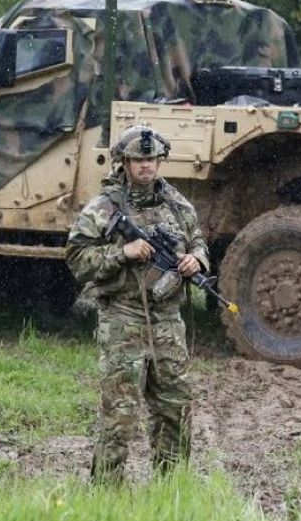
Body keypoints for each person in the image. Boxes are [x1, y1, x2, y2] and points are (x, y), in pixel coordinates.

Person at [66, 125, 208, 483]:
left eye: (151, 159)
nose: (146, 166)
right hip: (123, 319)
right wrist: (122, 253)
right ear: (124, 162)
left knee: (174, 408)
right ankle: (107, 493)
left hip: (167, 322)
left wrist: (197, 261)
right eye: (138, 160)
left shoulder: (178, 205)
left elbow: (198, 242)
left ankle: (170, 488)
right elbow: (77, 258)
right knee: (120, 414)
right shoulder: (104, 207)